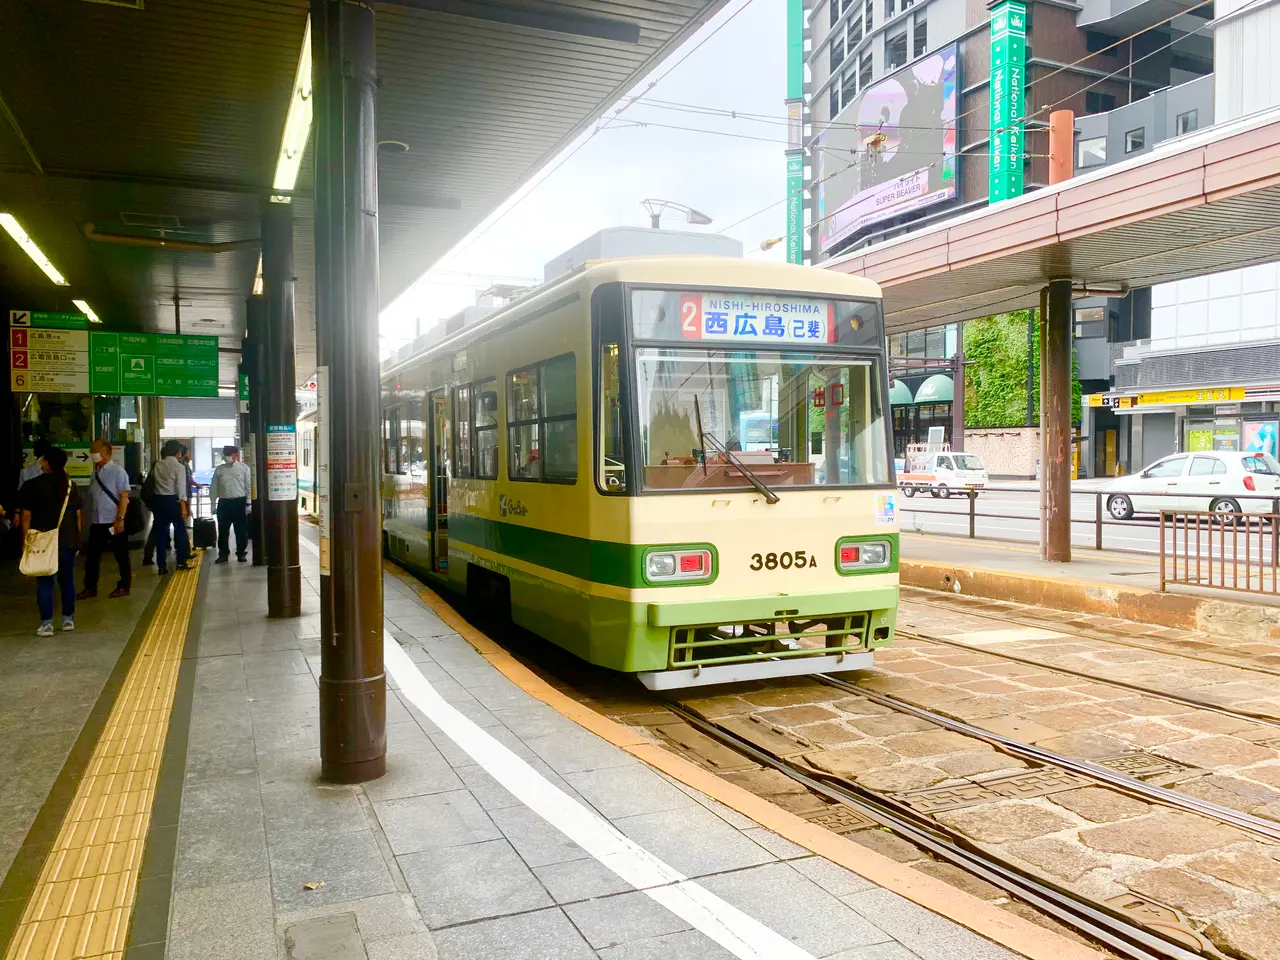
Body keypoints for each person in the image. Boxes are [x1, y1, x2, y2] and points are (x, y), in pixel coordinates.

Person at [19, 447, 83, 636]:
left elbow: (26, 515)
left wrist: (25, 540)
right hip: (67, 541)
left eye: (42, 459)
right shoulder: (71, 485)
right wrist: (77, 539)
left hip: (42, 539)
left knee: (45, 581)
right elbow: (78, 515)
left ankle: (46, 623)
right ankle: (68, 619)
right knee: (67, 580)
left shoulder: (32, 485)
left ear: (46, 463)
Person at [79, 439, 133, 600]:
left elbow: (124, 496)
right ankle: (90, 587)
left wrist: (120, 518)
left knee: (121, 555)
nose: (92, 453)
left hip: (114, 521)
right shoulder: (95, 473)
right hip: (97, 522)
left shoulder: (118, 471)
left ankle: (124, 585)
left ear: (106, 452)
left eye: (95, 450)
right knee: (92, 556)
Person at [151, 439, 191, 573]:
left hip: (159, 501)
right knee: (179, 530)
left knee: (161, 534)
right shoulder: (179, 467)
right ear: (177, 452)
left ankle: (161, 566)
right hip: (174, 501)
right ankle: (181, 561)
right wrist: (184, 507)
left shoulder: (157, 465)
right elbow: (181, 489)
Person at [211, 445, 251, 563]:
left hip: (239, 502)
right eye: (225, 455)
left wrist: (248, 502)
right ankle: (223, 554)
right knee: (223, 530)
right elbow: (214, 487)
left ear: (236, 455)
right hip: (224, 503)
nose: (227, 457)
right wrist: (213, 503)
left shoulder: (244, 468)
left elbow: (248, 485)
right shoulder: (219, 469)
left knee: (241, 530)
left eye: (229, 455)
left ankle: (241, 553)